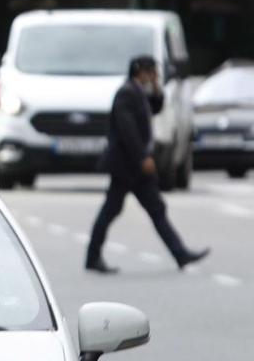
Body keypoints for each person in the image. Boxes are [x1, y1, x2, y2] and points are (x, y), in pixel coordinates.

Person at [85, 56, 210, 274]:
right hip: (127, 166)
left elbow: (156, 107)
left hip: (133, 167)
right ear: (140, 71)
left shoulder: (138, 92)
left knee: (155, 209)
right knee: (112, 210)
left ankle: (180, 254)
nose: (155, 76)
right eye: (152, 72)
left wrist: (157, 87)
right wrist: (143, 157)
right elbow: (128, 130)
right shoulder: (126, 93)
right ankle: (92, 256)